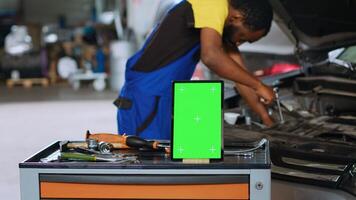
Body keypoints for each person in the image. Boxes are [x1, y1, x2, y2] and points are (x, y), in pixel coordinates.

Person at [115, 0, 276, 140]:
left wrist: (266, 118)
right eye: (242, 37)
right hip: (148, 97)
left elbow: (240, 75)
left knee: (161, 162)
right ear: (236, 18)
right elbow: (211, 56)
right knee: (146, 165)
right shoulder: (214, 4)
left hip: (160, 96)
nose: (239, 43)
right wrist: (259, 86)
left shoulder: (217, 23)